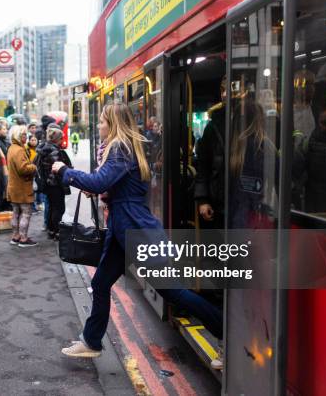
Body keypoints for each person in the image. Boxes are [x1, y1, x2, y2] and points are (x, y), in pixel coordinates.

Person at [51, 102, 222, 359]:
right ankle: (91, 341)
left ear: (114, 124)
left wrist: (65, 171)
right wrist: (105, 192)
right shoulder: (126, 147)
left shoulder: (119, 148)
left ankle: (224, 332)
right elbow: (113, 186)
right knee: (100, 283)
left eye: (102, 122)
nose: (99, 126)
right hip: (124, 227)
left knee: (172, 290)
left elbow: (100, 181)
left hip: (135, 228)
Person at [194, 77, 226, 230]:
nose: (226, 94)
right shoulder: (212, 127)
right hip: (217, 203)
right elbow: (203, 166)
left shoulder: (252, 122)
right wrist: (202, 199)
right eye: (223, 90)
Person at [35, 123, 72, 239]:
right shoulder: (54, 150)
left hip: (47, 184)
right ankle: (57, 232)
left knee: (51, 207)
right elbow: (59, 169)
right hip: (55, 184)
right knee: (59, 208)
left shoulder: (44, 148)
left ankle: (51, 230)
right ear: (57, 139)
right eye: (61, 138)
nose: (62, 140)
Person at [6, 125, 37, 247]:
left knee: (16, 213)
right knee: (26, 213)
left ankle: (15, 237)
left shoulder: (11, 148)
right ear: (19, 136)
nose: (26, 137)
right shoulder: (19, 150)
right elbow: (23, 169)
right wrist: (33, 167)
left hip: (13, 187)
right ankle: (23, 238)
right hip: (22, 187)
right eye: (24, 135)